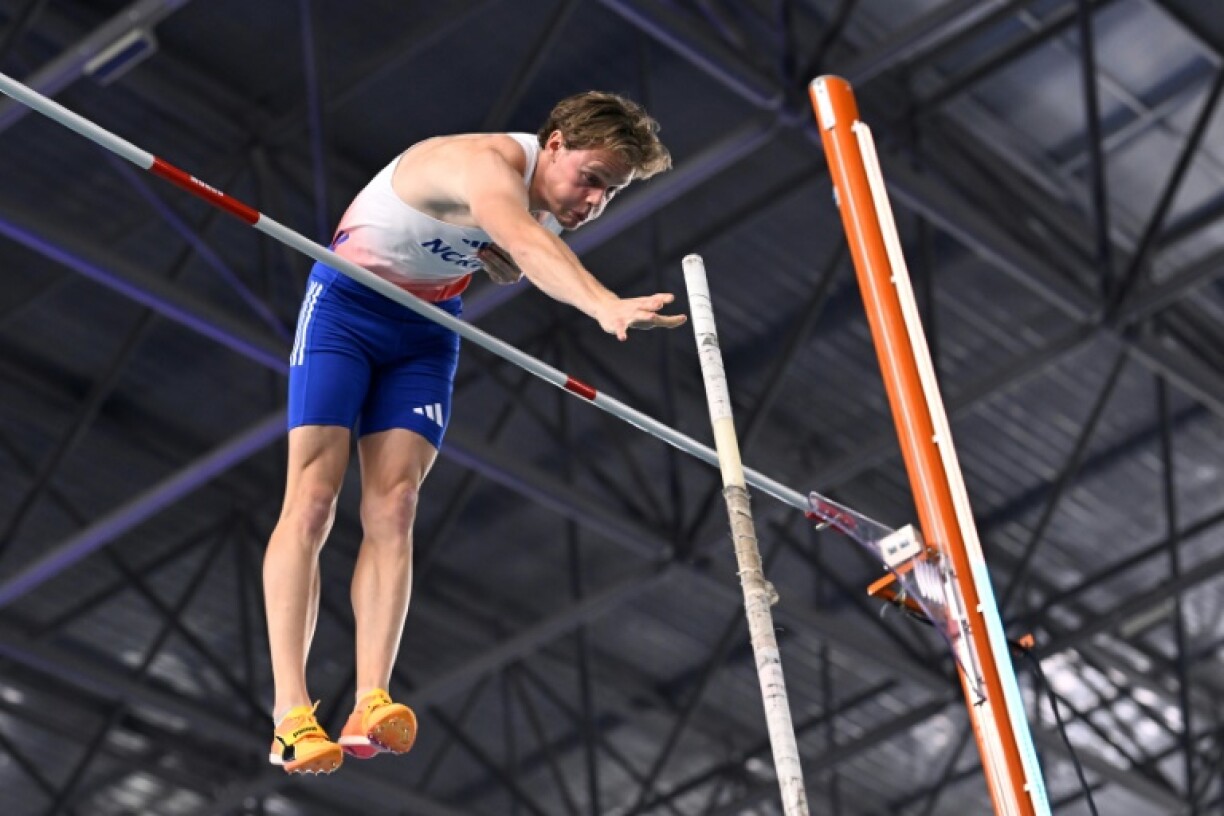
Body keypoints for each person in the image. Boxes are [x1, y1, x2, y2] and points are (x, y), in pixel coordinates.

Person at [264, 91, 686, 774]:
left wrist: (479, 248)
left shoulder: (536, 194)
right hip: (347, 307)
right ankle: (290, 715)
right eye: (591, 179)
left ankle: (371, 699)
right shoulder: (489, 163)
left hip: (427, 331)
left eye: (612, 193)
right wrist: (602, 302)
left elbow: (506, 238)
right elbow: (524, 238)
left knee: (394, 505)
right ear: (553, 144)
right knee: (313, 499)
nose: (594, 202)